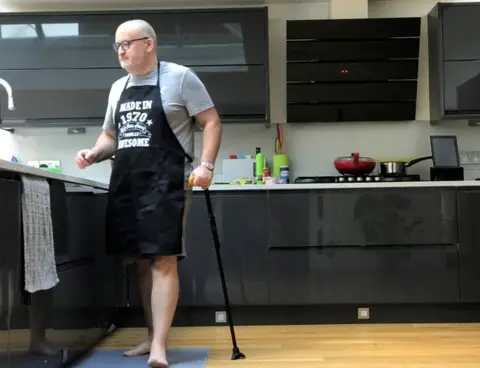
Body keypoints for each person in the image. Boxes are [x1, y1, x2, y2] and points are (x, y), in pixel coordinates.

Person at [75, 19, 221, 368]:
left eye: (126, 44)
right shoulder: (117, 87)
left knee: (163, 259)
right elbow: (111, 135)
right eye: (117, 46)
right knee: (141, 262)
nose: (120, 51)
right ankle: (149, 337)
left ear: (149, 44)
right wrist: (94, 153)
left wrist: (206, 166)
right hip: (128, 183)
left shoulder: (181, 78)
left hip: (167, 183)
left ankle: (159, 346)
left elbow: (212, 121)